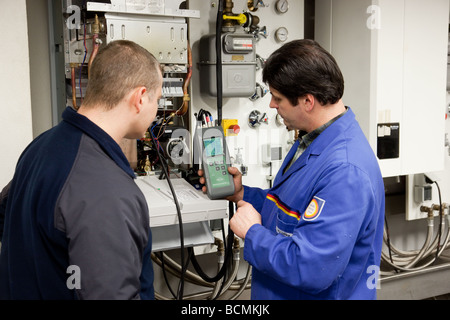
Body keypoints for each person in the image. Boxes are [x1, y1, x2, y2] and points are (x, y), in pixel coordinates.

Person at [200, 39, 385, 300]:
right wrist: (243, 195)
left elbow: (310, 268)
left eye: (277, 98)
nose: (272, 106)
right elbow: (289, 210)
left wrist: (253, 233)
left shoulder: (346, 171)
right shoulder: (312, 140)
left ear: (307, 101)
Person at [0, 40, 162, 299]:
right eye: (157, 99)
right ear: (140, 98)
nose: (156, 111)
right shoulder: (107, 190)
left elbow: (6, 217)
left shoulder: (41, 146)